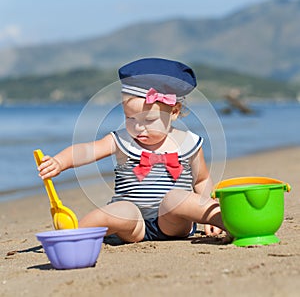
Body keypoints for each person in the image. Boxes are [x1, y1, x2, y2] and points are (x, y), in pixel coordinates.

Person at [38, 57, 226, 242]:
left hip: (174, 223)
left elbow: (201, 180)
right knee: (117, 210)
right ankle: (74, 237)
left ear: (174, 112)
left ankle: (224, 220)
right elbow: (88, 150)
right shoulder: (122, 140)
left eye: (149, 120)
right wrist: (60, 162)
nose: (138, 127)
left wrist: (210, 208)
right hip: (135, 225)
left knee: (177, 198)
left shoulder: (188, 143)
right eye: (130, 118)